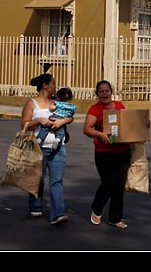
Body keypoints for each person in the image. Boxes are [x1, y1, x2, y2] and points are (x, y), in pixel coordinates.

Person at [21, 73, 73, 225]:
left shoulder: (56, 102)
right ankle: (35, 205)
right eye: (53, 84)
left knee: (56, 181)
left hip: (58, 148)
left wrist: (61, 122)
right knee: (38, 179)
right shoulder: (32, 104)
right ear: (45, 85)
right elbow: (23, 124)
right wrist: (37, 121)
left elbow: (70, 115)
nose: (55, 87)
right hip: (38, 148)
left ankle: (58, 213)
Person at [83, 80, 131, 229]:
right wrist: (100, 134)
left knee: (119, 185)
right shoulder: (95, 109)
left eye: (107, 90)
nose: (105, 93)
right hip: (104, 153)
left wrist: (143, 124)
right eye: (101, 91)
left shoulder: (120, 106)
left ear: (111, 92)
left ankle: (115, 218)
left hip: (122, 152)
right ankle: (97, 209)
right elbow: (87, 129)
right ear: (97, 94)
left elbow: (129, 124)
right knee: (109, 183)